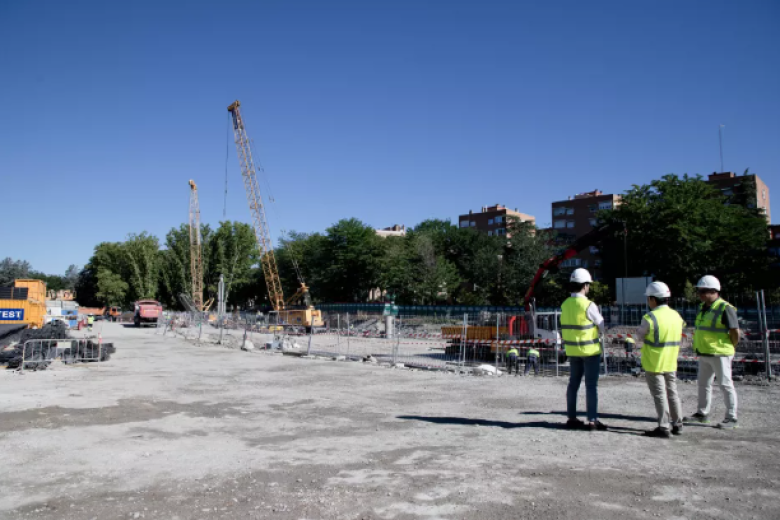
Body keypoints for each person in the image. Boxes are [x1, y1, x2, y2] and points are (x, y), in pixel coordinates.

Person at [684, 275, 740, 429]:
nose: (700, 294)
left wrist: (731, 346)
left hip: (720, 353)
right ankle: (702, 414)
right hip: (705, 353)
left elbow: (735, 331)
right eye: (700, 291)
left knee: (725, 385)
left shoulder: (725, 308)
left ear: (714, 291)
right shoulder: (704, 308)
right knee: (703, 384)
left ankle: (731, 417)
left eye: (703, 291)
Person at [637, 282, 685, 438]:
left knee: (659, 395)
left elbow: (640, 335)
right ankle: (678, 424)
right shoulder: (676, 315)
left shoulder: (650, 317)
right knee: (672, 393)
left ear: (653, 299)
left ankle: (664, 427)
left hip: (654, 362)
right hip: (671, 361)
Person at [561, 268, 607, 431]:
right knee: (591, 386)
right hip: (590, 352)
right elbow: (602, 326)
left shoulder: (565, 304)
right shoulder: (588, 305)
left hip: (573, 351)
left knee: (573, 384)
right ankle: (592, 420)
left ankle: (571, 418)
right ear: (585, 285)